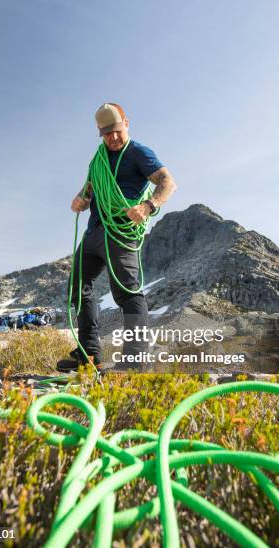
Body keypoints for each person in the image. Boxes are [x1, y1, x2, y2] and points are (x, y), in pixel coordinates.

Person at [57, 103, 177, 372]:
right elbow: (89, 191)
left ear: (126, 123)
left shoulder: (138, 152)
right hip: (94, 232)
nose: (112, 138)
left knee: (127, 291)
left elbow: (168, 182)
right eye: (106, 134)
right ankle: (89, 355)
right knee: (78, 287)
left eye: (117, 131)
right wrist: (81, 200)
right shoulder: (98, 159)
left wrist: (148, 206)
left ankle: (135, 361)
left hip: (121, 232)